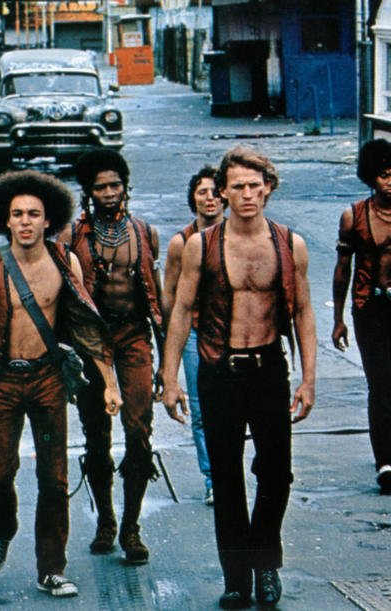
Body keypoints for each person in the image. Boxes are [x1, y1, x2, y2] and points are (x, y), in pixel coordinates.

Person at [161, 146, 317, 609]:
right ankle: (236, 576)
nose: (247, 194)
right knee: (226, 478)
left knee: (276, 475)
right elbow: (182, 312)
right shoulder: (201, 245)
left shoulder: (291, 244)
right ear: (223, 192)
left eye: (255, 185)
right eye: (238, 187)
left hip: (268, 368)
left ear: (268, 187)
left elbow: (305, 311)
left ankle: (265, 563)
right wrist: (170, 379)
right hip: (219, 369)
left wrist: (309, 378)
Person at [0, 170, 122, 597]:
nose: (26, 221)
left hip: (47, 379)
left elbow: (88, 326)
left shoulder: (66, 262)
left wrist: (108, 383)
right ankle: (3, 529)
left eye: (34, 214)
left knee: (54, 479)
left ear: (49, 220)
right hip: (4, 381)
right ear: (5, 220)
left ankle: (51, 568)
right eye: (17, 214)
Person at [56, 149, 164, 565]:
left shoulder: (145, 233)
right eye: (100, 187)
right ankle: (106, 520)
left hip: (135, 336)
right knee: (96, 433)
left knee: (139, 431)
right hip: (89, 341)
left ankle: (132, 526)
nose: (108, 193)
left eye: (115, 185)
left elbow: (156, 297)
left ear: (125, 187)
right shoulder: (72, 237)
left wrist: (167, 365)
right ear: (88, 192)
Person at [332, 139, 391, 494]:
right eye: (384, 175)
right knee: (379, 384)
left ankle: (385, 444)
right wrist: (337, 318)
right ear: (372, 177)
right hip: (369, 307)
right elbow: (342, 270)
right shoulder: (353, 215)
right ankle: (387, 459)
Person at [160, 165, 223, 506]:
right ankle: (213, 477)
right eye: (203, 192)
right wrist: (173, 342)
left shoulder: (238, 235)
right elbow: (168, 296)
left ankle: (231, 471)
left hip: (234, 334)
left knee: (235, 407)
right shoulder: (181, 242)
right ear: (193, 199)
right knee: (200, 408)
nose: (210, 199)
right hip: (196, 334)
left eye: (215, 192)